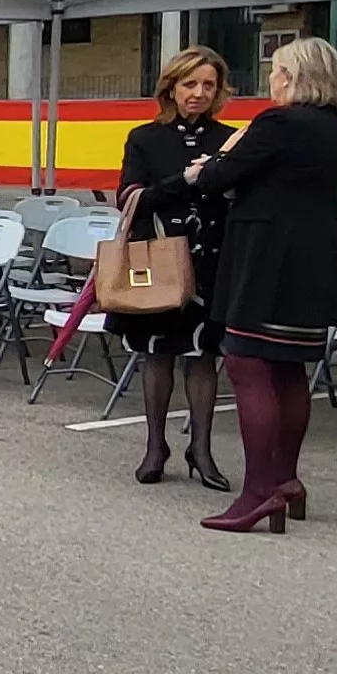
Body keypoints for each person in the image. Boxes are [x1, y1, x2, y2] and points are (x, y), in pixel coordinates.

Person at [182, 37, 337, 535]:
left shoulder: (278, 124)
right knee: (288, 370)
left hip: (267, 260)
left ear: (294, 76)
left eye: (277, 70)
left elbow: (216, 176)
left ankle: (258, 492)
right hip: (313, 260)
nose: (271, 79)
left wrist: (210, 164)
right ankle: (287, 479)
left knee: (247, 364)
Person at [114, 48, 236, 490]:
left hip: (211, 258)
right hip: (159, 258)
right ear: (171, 88)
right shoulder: (145, 138)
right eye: (190, 85)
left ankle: (201, 449)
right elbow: (129, 197)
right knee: (157, 352)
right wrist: (181, 181)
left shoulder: (231, 138)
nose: (199, 94)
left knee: (204, 355)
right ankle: (155, 446)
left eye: (208, 85)